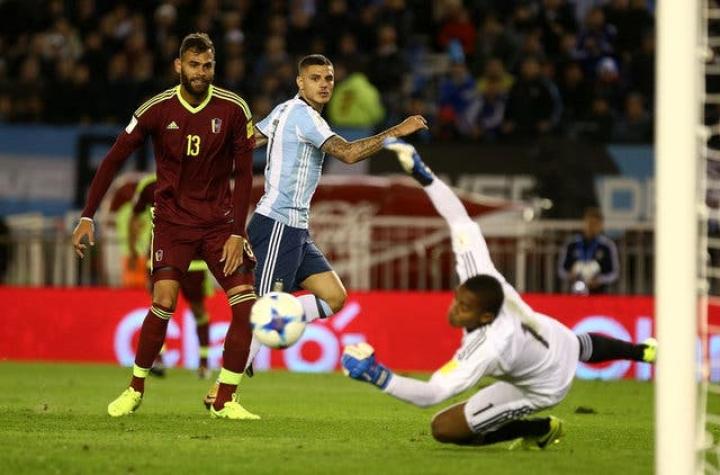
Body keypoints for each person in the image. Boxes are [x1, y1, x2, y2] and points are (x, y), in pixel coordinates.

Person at [341, 139, 656, 448]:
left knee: (445, 429)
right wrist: (425, 176)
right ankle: (644, 351)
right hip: (552, 335)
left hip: (544, 386)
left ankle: (541, 428)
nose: (454, 311)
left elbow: (432, 394)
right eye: (458, 300)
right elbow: (459, 219)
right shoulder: (481, 276)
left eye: (464, 309)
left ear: (486, 317)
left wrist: (377, 375)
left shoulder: (489, 345)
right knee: (579, 344)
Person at [204, 53, 427, 406]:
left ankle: (272, 331)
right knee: (259, 310)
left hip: (296, 229)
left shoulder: (283, 111)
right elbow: (349, 154)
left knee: (334, 296)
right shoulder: (303, 116)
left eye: (328, 78)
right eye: (315, 78)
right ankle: (222, 395)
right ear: (300, 82)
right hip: (277, 224)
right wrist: (396, 132)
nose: (324, 84)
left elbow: (247, 142)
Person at [72, 33, 259, 420]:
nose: (201, 73)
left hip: (220, 226)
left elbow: (244, 176)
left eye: (207, 65)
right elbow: (111, 160)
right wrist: (88, 215)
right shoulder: (156, 109)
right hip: (173, 224)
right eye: (193, 65)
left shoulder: (234, 109)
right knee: (164, 302)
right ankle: (135, 388)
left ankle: (224, 399)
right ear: (179, 65)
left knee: (246, 307)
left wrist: (239, 232)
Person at [127, 173, 215, 380]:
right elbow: (134, 216)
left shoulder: (198, 179)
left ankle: (203, 364)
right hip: (162, 256)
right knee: (160, 307)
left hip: (195, 259)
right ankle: (158, 358)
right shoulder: (149, 185)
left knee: (198, 310)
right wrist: (132, 250)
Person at [558, 207, 619, 294]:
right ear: (584, 223)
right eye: (590, 223)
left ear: (601, 226)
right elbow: (561, 270)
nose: (592, 227)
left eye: (595, 224)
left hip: (599, 292)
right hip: (574, 291)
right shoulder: (572, 244)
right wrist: (570, 275)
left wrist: (600, 280)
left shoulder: (607, 246)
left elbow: (614, 273)